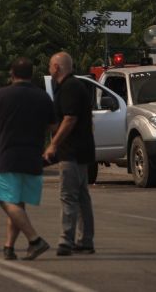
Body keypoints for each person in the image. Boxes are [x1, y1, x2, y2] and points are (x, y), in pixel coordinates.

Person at [0, 57, 55, 261]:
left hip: (9, 156)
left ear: (12, 74)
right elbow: (52, 126)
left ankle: (35, 240)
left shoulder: (2, 95)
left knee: (4, 200)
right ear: (31, 74)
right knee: (18, 204)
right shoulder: (43, 97)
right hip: (33, 157)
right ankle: (9, 247)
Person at [43, 51, 95, 256]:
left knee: (68, 196)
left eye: (50, 65)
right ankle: (85, 241)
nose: (49, 69)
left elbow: (70, 119)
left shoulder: (69, 87)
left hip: (72, 152)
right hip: (81, 151)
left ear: (57, 67)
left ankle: (66, 240)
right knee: (82, 197)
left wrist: (53, 144)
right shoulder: (72, 86)